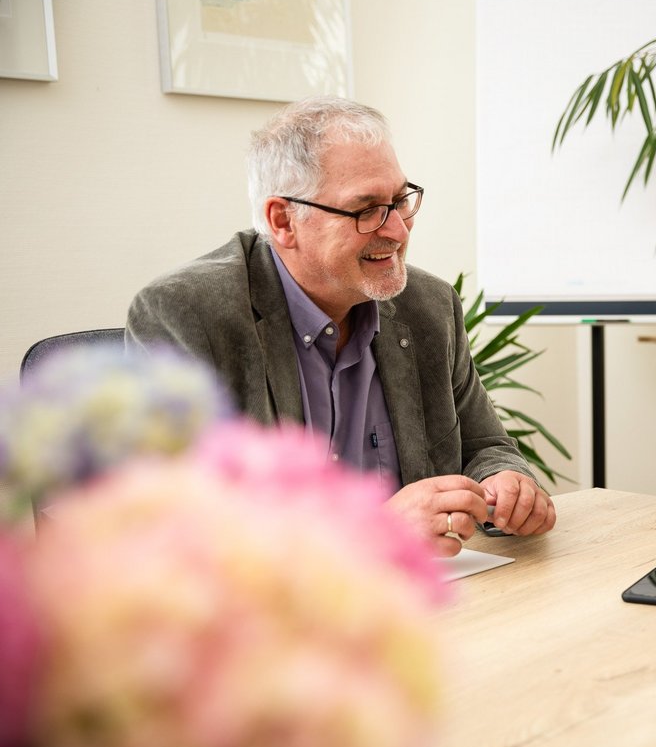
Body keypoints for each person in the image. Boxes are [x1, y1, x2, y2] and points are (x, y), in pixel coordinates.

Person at [127, 96, 555, 556]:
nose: (398, 231)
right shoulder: (184, 314)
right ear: (283, 220)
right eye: (366, 209)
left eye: (399, 201)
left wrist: (506, 483)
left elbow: (485, 444)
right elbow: (180, 526)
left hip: (430, 602)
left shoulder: (428, 307)